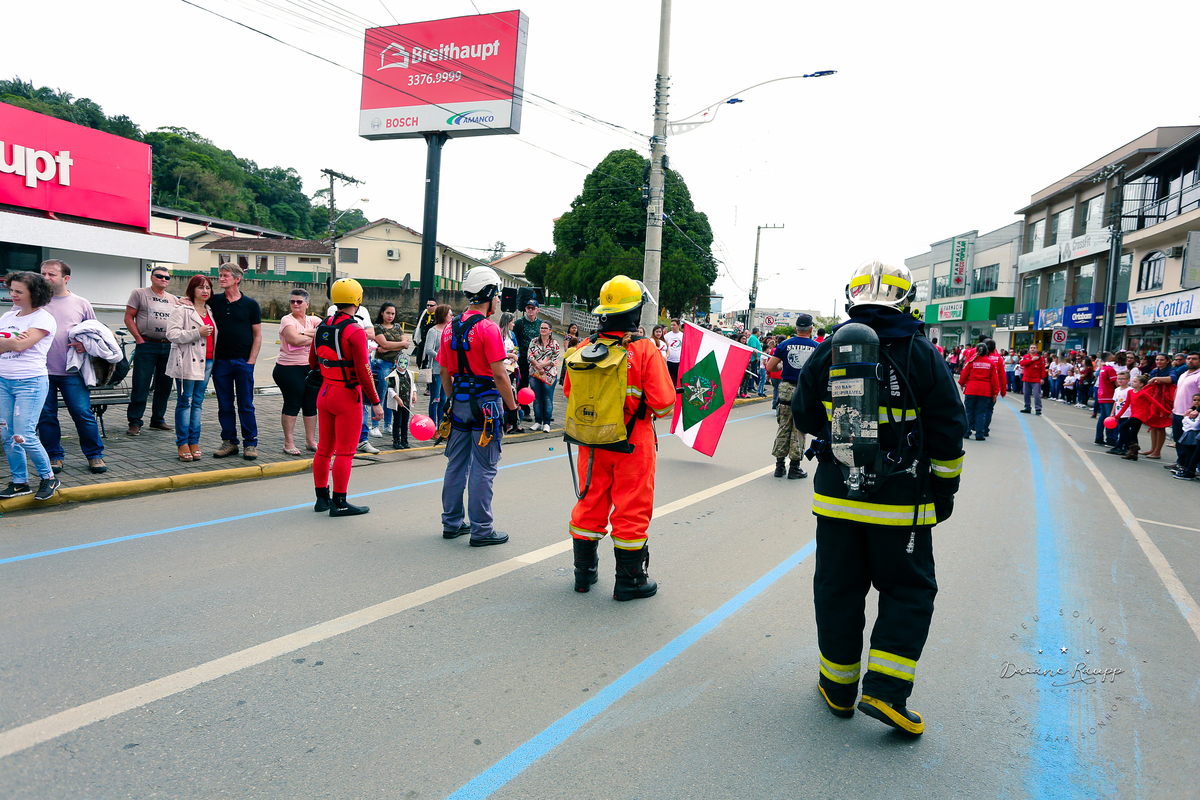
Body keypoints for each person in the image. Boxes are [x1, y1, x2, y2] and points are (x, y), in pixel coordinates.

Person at [792, 260, 967, 735]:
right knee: (908, 591)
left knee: (837, 589)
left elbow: (804, 414)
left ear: (852, 297)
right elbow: (950, 430)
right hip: (901, 502)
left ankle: (837, 688)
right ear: (906, 299)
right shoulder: (923, 353)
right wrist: (943, 491)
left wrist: (840, 433)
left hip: (837, 500)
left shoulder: (830, 348)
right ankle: (886, 693)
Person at [566, 276, 675, 600]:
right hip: (632, 442)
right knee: (632, 509)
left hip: (592, 441)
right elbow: (664, 404)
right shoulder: (644, 349)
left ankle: (583, 574)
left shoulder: (584, 348)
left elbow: (570, 393)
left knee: (589, 504)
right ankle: (630, 581)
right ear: (635, 312)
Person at [438, 267, 518, 546]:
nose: (497, 300)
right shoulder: (488, 328)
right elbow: (500, 375)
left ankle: (451, 523)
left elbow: (444, 371)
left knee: (456, 464)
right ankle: (482, 530)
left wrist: (451, 399)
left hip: (459, 400)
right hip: (486, 404)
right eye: (496, 295)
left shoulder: (450, 327)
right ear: (488, 294)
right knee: (483, 467)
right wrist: (512, 408)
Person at [310, 279, 383, 517]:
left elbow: (313, 361)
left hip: (325, 392)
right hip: (347, 396)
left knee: (324, 449)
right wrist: (376, 402)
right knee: (345, 452)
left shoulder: (322, 325)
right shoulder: (355, 330)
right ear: (357, 299)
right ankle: (340, 503)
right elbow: (364, 370)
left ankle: (321, 499)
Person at [36, 259, 107, 475]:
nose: (46, 278)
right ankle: (54, 456)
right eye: (43, 273)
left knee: (82, 413)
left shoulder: (81, 303)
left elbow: (96, 333)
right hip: (40, 371)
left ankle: (95, 456)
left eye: (51, 274)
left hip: (72, 372)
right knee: (46, 416)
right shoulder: (34, 300)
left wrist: (85, 345)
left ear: (66, 278)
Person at [0, 272, 61, 501]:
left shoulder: (43, 318)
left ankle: (48, 478)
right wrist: (11, 342)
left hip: (30, 382)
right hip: (3, 381)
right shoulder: (8, 316)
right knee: (7, 434)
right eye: (11, 290)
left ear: (35, 293)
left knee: (23, 434)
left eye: (19, 291)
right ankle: (19, 482)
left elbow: (21, 345)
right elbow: (15, 344)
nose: (12, 295)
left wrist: (12, 343)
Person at [209, 264, 262, 460]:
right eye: (220, 275)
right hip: (221, 362)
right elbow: (194, 300)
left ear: (237, 279)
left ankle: (250, 443)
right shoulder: (214, 301)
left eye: (225, 276)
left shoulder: (251, 305)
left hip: (243, 362)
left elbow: (257, 335)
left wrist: (251, 361)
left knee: (246, 404)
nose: (221, 279)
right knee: (225, 404)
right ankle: (229, 442)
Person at [165, 275, 217, 462]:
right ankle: (183, 443)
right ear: (192, 290)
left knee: (198, 402)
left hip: (207, 362)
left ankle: (194, 441)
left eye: (208, 287)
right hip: (187, 362)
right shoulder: (182, 310)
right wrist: (197, 332)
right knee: (185, 401)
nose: (205, 291)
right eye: (200, 287)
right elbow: (172, 334)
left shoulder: (210, 310)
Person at [124, 266, 178, 436]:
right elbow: (128, 317)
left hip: (168, 346)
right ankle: (135, 422)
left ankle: (158, 419)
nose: (164, 279)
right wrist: (139, 338)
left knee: (165, 385)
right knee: (141, 384)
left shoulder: (173, 299)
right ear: (152, 278)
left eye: (167, 277)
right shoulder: (139, 293)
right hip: (147, 344)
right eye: (160, 276)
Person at [764, 313, 818, 479]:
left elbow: (770, 367)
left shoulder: (785, 344)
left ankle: (779, 466)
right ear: (811, 329)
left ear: (796, 328)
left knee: (784, 427)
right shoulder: (816, 347)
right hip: (805, 391)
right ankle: (794, 467)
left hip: (786, 390)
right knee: (799, 429)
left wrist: (781, 366)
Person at [274, 289, 320, 455]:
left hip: (309, 367)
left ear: (307, 304)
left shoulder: (313, 320)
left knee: (310, 404)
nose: (295, 304)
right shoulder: (287, 320)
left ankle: (310, 441)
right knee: (293, 402)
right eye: (292, 301)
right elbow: (294, 340)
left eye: (299, 301)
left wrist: (303, 333)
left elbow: (325, 332)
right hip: (288, 368)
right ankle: (289, 443)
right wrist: (313, 337)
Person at [372, 301, 409, 437]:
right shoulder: (377, 327)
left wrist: (388, 347)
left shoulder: (397, 326)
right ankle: (375, 425)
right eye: (388, 313)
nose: (390, 316)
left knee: (392, 396)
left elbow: (406, 344)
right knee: (380, 394)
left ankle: (387, 424)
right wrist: (398, 344)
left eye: (393, 313)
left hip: (396, 365)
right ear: (382, 313)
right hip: (382, 364)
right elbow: (384, 344)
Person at [1164, 352, 1200, 471]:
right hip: (1178, 412)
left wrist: (1196, 410)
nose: (1191, 361)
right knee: (1178, 439)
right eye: (1189, 358)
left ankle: (1189, 466)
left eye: (1194, 359)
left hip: (1192, 415)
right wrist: (1173, 408)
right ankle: (1181, 462)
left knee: (1189, 443)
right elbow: (1177, 391)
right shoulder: (1183, 374)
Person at [959, 343, 1002, 441]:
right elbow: (995, 379)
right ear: (987, 351)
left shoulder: (971, 361)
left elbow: (964, 374)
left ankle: (967, 432)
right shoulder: (991, 363)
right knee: (981, 412)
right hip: (985, 391)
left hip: (971, 389)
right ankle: (979, 434)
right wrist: (995, 392)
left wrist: (962, 383)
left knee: (969, 411)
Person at [1140, 353, 1175, 459]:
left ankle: (1157, 451)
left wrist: (1155, 379)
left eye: (1162, 360)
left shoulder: (1171, 370)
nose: (1159, 362)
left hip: (1164, 401)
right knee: (1153, 425)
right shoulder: (1155, 370)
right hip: (1154, 399)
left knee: (1160, 426)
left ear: (1168, 361)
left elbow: (1172, 379)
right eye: (1157, 360)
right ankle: (1153, 449)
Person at [528, 320, 561, 432]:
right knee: (537, 398)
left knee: (547, 398)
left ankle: (546, 422)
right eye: (541, 328)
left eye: (545, 328)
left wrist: (542, 365)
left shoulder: (554, 344)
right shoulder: (534, 341)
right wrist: (538, 366)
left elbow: (555, 359)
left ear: (550, 330)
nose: (542, 330)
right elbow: (530, 356)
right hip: (535, 373)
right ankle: (538, 421)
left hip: (549, 374)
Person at [513, 300, 542, 422]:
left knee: (539, 386)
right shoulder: (519, 323)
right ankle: (524, 410)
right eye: (528, 308)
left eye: (533, 308)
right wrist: (516, 355)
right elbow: (514, 340)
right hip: (523, 360)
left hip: (538, 361)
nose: (530, 310)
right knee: (523, 385)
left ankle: (542, 412)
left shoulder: (541, 324)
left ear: (537, 310)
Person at [497, 312, 523, 435]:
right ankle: (503, 421)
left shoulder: (512, 335)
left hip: (512, 368)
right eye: (512, 322)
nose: (514, 324)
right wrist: (509, 355)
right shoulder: (497, 334)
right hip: (501, 368)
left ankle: (512, 421)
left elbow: (516, 349)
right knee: (502, 394)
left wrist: (515, 357)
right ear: (507, 323)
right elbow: (497, 351)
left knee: (511, 392)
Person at [1171, 392, 1200, 480]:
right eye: (1194, 400)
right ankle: (1187, 469)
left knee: (1195, 454)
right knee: (1189, 452)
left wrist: (1187, 418)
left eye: (1198, 400)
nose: (1196, 402)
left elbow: (1195, 425)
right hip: (1189, 432)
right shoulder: (1193, 411)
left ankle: (1190, 472)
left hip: (1194, 433)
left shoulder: (1196, 413)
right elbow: (1185, 423)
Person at [1094, 352, 1119, 446]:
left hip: (1102, 394)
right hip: (1109, 395)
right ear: (1110, 358)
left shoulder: (1103, 368)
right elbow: (1116, 383)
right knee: (1110, 418)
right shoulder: (1110, 369)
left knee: (1102, 417)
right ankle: (1110, 439)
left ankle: (1099, 437)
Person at [1019, 346, 1046, 415]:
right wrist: (1032, 360)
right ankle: (1027, 407)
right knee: (1026, 394)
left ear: (1037, 349)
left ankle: (1038, 408)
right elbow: (1022, 363)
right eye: (1031, 348)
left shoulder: (1040, 358)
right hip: (1027, 378)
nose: (1032, 349)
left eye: (1034, 348)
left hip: (1036, 379)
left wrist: (1042, 378)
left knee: (1037, 394)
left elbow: (1043, 369)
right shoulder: (1026, 357)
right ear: (1029, 349)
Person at [412, 298, 437, 372]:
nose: (429, 307)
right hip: (422, 342)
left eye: (431, 305)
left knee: (429, 362)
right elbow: (418, 327)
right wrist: (416, 340)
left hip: (432, 343)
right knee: (419, 360)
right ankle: (422, 373)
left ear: (436, 306)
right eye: (427, 305)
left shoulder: (438, 315)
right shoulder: (423, 313)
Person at [664, 319, 683, 385]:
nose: (672, 326)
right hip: (669, 361)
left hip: (679, 361)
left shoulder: (682, 335)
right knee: (668, 379)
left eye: (674, 325)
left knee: (677, 380)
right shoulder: (667, 336)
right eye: (671, 325)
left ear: (679, 325)